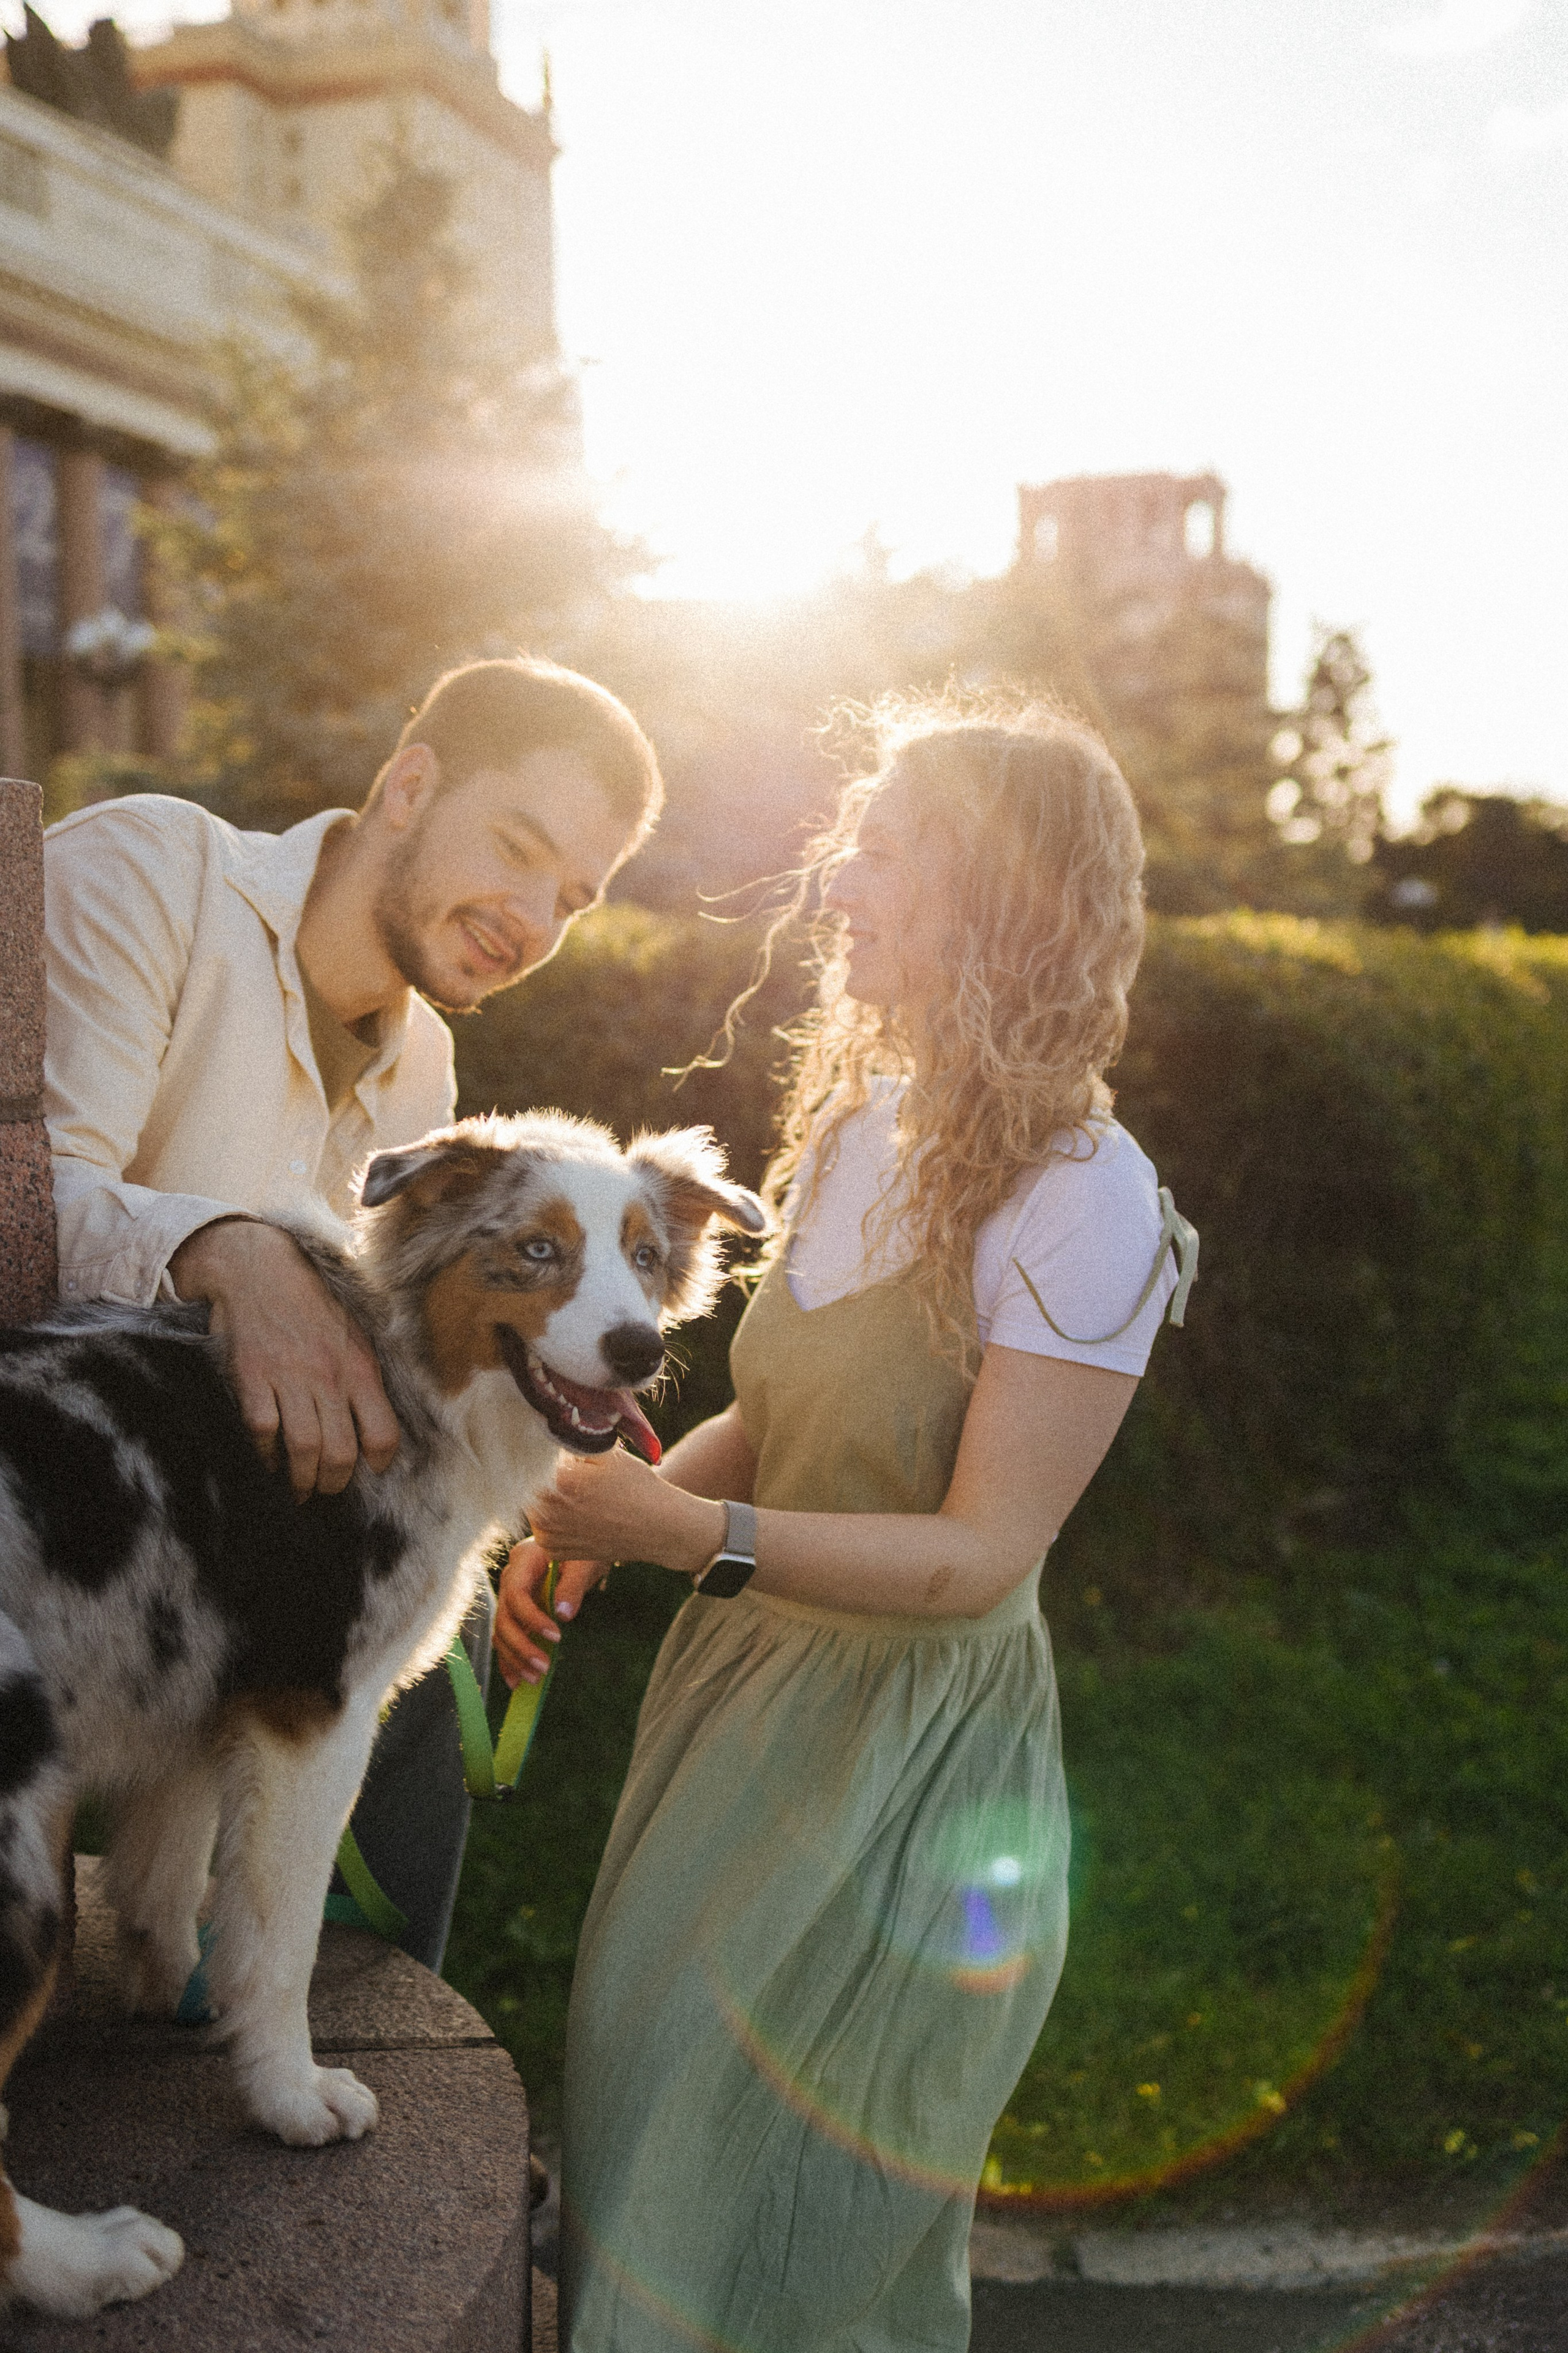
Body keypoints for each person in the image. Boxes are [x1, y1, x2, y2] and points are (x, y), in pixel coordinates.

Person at [495, 697, 1195, 2352]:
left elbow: (980, 1556)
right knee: (639, 2145)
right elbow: (787, 1414)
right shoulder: (858, 1127)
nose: (840, 885)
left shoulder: (1087, 1192)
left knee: (805, 2238)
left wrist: (687, 1538)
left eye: (890, 851)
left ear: (1007, 895)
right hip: (741, 1714)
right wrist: (621, 1512)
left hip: (912, 1775)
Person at [43, 655, 662, 1971]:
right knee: (390, 1625)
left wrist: (527, 1470)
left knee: (435, 1624)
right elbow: (23, 1209)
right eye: (517, 847)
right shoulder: (146, 872)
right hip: (57, 1496)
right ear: (408, 782)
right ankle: (253, 2004)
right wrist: (226, 1248)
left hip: (225, 1529)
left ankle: (346, 2029)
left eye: (573, 896)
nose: (533, 918)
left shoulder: (424, 1061)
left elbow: (402, 1349)